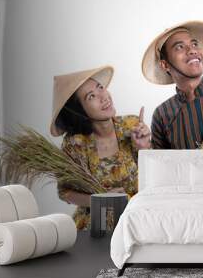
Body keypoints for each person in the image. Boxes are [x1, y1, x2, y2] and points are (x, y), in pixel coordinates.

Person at [50, 65, 150, 230]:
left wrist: (144, 148)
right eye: (91, 96)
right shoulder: (75, 143)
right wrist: (99, 199)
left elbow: (154, 177)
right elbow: (65, 192)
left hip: (137, 221)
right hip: (95, 226)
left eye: (101, 88)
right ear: (79, 111)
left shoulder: (132, 125)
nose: (104, 97)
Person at [142, 21, 203, 149]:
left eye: (194, 44)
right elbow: (161, 165)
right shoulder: (162, 115)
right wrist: (143, 147)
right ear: (165, 65)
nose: (192, 50)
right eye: (179, 47)